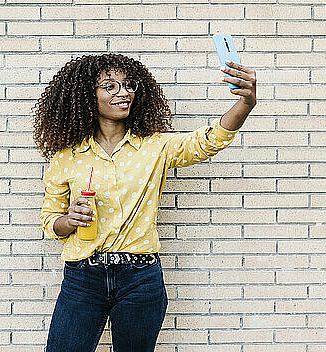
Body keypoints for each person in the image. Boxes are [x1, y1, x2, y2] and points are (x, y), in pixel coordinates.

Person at [33, 53, 256, 352]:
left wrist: (244, 104)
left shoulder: (156, 146)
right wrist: (68, 220)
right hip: (82, 279)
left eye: (128, 85)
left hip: (139, 279)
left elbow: (208, 141)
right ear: (88, 95)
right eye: (110, 87)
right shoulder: (67, 156)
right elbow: (51, 220)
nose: (123, 93)